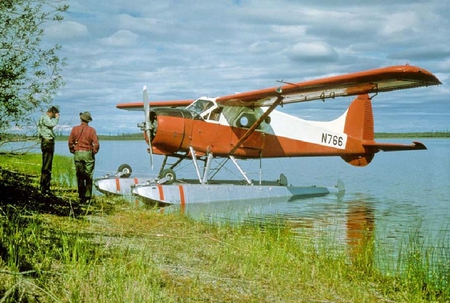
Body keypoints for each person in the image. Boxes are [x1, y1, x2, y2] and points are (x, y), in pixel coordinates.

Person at [68, 111, 100, 203]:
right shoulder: (92, 130)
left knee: (80, 175)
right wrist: (93, 152)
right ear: (88, 120)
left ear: (81, 119)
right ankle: (88, 197)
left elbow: (70, 142)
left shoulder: (74, 129)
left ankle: (81, 196)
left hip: (78, 153)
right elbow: (96, 144)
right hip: (88, 153)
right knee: (88, 176)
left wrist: (73, 150)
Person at [37, 106, 60, 195]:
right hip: (48, 141)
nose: (54, 116)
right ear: (51, 112)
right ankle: (45, 188)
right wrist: (57, 118)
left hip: (45, 141)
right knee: (47, 165)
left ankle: (44, 186)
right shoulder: (45, 118)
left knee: (46, 164)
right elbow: (51, 124)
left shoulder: (41, 118)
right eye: (54, 114)